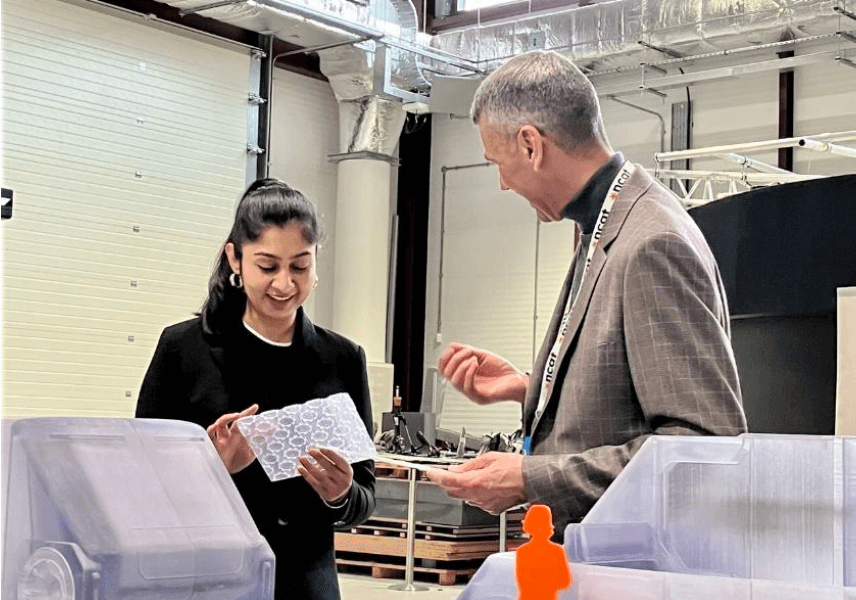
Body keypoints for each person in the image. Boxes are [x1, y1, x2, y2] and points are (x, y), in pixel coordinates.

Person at [426, 51, 747, 538]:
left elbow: (703, 446)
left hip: (634, 567)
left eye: (499, 163)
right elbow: (622, 390)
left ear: (531, 145)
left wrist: (529, 478)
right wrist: (526, 386)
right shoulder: (604, 227)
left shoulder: (652, 243)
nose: (502, 183)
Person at [136, 178, 375, 600]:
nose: (284, 284)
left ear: (317, 261)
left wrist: (341, 494)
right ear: (236, 259)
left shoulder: (343, 358)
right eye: (268, 266)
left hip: (305, 582)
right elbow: (141, 483)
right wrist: (212, 468)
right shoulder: (183, 350)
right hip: (207, 580)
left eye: (300, 266)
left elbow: (365, 496)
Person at [516, 505, 572, 600]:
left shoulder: (522, 551)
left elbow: (522, 582)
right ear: (548, 525)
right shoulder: (556, 550)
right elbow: (564, 582)